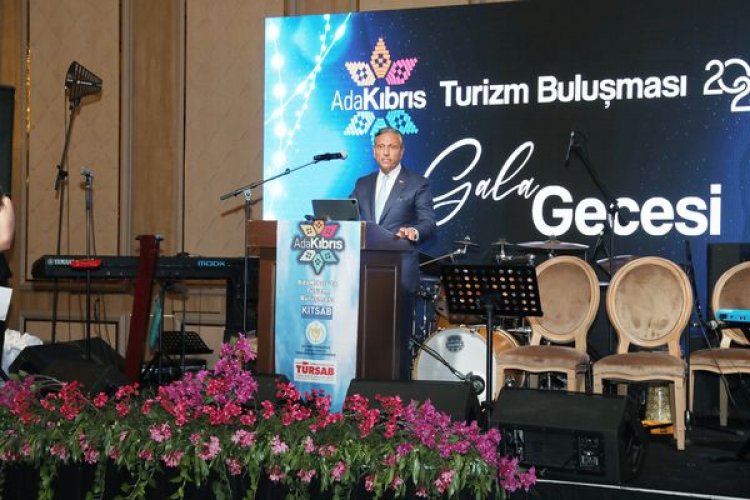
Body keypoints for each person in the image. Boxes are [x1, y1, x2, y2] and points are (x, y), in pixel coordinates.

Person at [350, 127, 437, 379]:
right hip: (363, 274)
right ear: (374, 151)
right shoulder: (363, 183)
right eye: (380, 147)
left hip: (399, 274)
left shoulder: (417, 184)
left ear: (401, 151)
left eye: (391, 147)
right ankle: (362, 389)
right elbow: (349, 215)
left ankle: (397, 392)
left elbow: (429, 223)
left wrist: (414, 231)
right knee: (363, 339)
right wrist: (330, 222)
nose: (385, 152)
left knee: (396, 344)